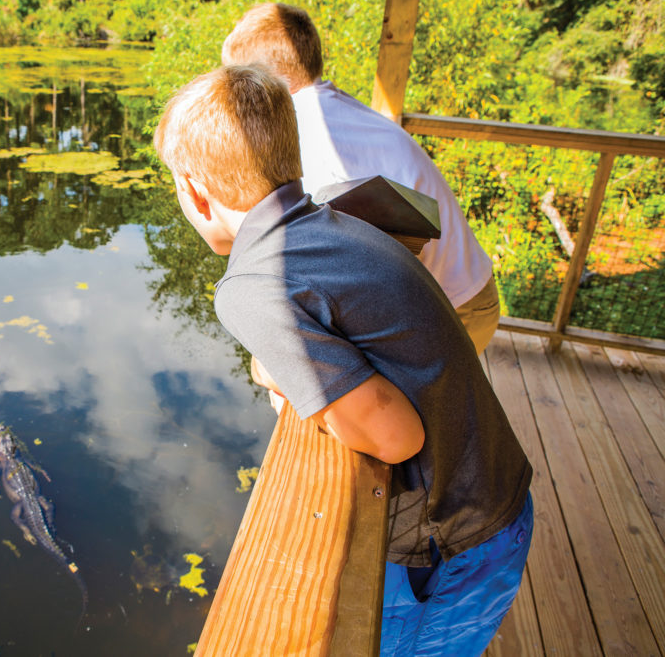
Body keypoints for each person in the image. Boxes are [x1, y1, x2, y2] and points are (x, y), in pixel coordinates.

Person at [154, 64, 533, 656]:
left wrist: (291, 379)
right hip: (497, 499)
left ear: (196, 193)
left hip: (454, 545)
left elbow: (396, 438)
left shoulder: (254, 284)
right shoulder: (338, 215)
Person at [221, 2, 500, 355]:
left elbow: (346, 272)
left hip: (455, 309)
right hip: (467, 290)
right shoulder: (331, 110)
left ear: (267, 81)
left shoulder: (312, 138)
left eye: (240, 83)